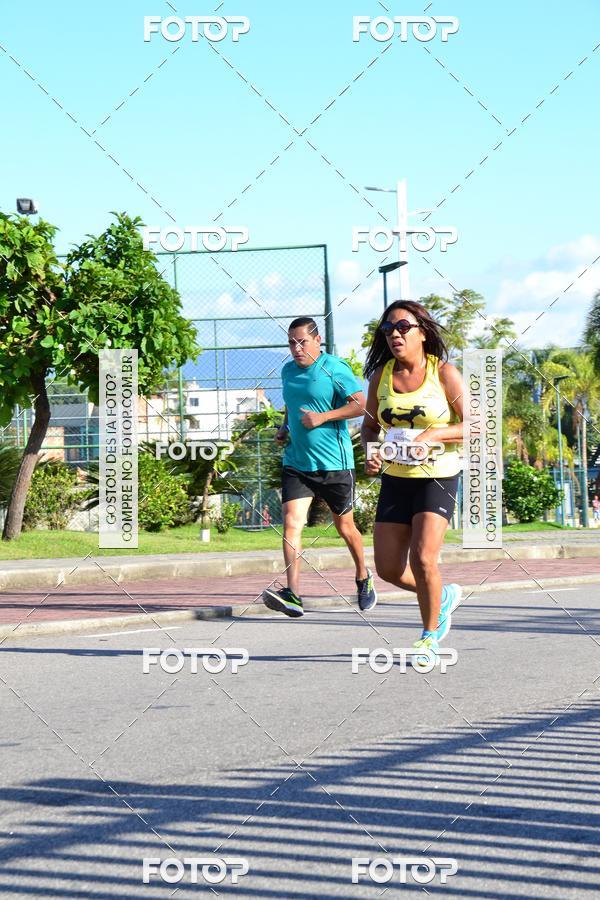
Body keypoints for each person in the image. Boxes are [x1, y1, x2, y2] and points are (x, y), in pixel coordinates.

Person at [360, 300, 464, 664]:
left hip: (437, 477)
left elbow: (474, 426)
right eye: (388, 330)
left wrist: (433, 436)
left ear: (422, 331)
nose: (395, 335)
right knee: (388, 568)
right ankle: (443, 596)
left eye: (403, 327)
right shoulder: (381, 377)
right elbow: (371, 426)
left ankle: (429, 636)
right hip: (396, 478)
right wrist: (372, 451)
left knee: (423, 558)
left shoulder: (445, 373)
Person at [262, 316, 377, 617]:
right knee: (290, 524)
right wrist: (285, 428)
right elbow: (292, 403)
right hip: (297, 463)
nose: (296, 348)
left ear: (318, 340)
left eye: (302, 342)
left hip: (335, 463)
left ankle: (363, 577)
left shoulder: (334, 368)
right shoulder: (287, 371)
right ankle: (293, 594)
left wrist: (322, 418)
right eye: (291, 343)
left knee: (346, 528)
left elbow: (359, 404)